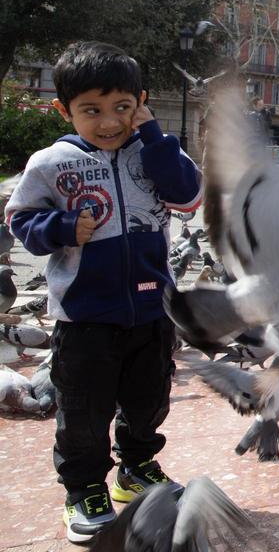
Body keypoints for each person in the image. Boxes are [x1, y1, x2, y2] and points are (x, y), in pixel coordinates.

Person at [3, 42, 201, 543]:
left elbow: (188, 197)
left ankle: (136, 469)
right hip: (86, 314)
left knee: (149, 398)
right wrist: (64, 227)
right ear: (64, 109)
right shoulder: (51, 162)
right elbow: (21, 220)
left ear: (141, 102)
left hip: (152, 308)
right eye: (92, 110)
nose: (110, 122)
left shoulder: (157, 150)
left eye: (123, 108)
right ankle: (85, 488)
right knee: (84, 409)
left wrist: (154, 135)